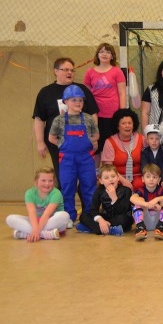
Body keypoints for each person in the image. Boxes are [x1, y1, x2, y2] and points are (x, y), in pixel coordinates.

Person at [33, 57, 98, 188]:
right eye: (65, 70)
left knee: (86, 178)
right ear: (55, 71)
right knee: (63, 178)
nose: (70, 73)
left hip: (82, 143)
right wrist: (40, 142)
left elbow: (93, 114)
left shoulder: (83, 90)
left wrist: (93, 139)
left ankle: (88, 207)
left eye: (72, 70)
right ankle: (65, 207)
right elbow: (39, 119)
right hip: (57, 144)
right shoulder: (45, 92)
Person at [48, 84, 99, 225]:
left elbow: (96, 135)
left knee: (89, 187)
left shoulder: (88, 119)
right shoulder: (59, 120)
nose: (78, 103)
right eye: (74, 100)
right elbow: (51, 138)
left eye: (80, 100)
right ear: (65, 101)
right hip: (67, 159)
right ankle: (68, 217)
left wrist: (90, 140)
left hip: (86, 158)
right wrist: (62, 144)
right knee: (67, 187)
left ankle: (89, 215)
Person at [83, 43, 126, 154]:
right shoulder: (90, 72)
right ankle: (97, 171)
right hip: (95, 115)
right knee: (96, 147)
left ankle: (110, 170)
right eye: (101, 51)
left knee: (111, 147)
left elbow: (122, 93)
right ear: (97, 55)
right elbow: (86, 95)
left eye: (108, 52)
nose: (104, 54)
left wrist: (121, 114)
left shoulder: (117, 71)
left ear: (112, 56)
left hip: (111, 115)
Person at [6, 167, 70, 241]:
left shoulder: (56, 193)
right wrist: (36, 228)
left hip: (52, 222)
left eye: (50, 181)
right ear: (36, 182)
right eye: (43, 180)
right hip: (36, 222)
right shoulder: (30, 193)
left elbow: (47, 214)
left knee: (65, 215)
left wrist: (36, 231)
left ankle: (27, 234)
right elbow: (31, 213)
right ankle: (45, 234)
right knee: (10, 219)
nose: (47, 183)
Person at [76, 164, 133, 236]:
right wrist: (101, 220)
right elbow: (93, 209)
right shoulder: (99, 191)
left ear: (118, 178)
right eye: (106, 178)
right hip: (106, 218)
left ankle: (94, 229)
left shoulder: (126, 190)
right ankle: (111, 230)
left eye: (113, 176)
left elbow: (123, 211)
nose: (110, 179)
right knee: (83, 216)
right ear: (101, 181)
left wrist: (114, 197)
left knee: (126, 219)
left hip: (120, 218)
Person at [101, 108, 145, 192]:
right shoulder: (109, 142)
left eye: (130, 123)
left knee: (141, 185)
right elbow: (108, 168)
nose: (127, 126)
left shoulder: (142, 139)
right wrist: (123, 180)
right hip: (117, 178)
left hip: (139, 177)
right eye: (123, 123)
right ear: (117, 126)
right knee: (122, 190)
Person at [130, 164, 163, 241]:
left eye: (154, 177)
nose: (151, 179)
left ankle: (160, 229)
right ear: (143, 179)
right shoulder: (141, 190)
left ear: (159, 180)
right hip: (145, 221)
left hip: (159, 221)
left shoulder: (160, 189)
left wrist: (157, 199)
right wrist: (147, 204)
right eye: (148, 177)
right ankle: (140, 229)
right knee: (139, 200)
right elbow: (132, 198)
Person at [140, 124, 163, 191]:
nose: (154, 141)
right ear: (147, 140)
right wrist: (151, 179)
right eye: (151, 138)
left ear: (161, 140)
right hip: (149, 178)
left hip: (161, 178)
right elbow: (144, 166)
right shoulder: (144, 152)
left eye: (157, 139)